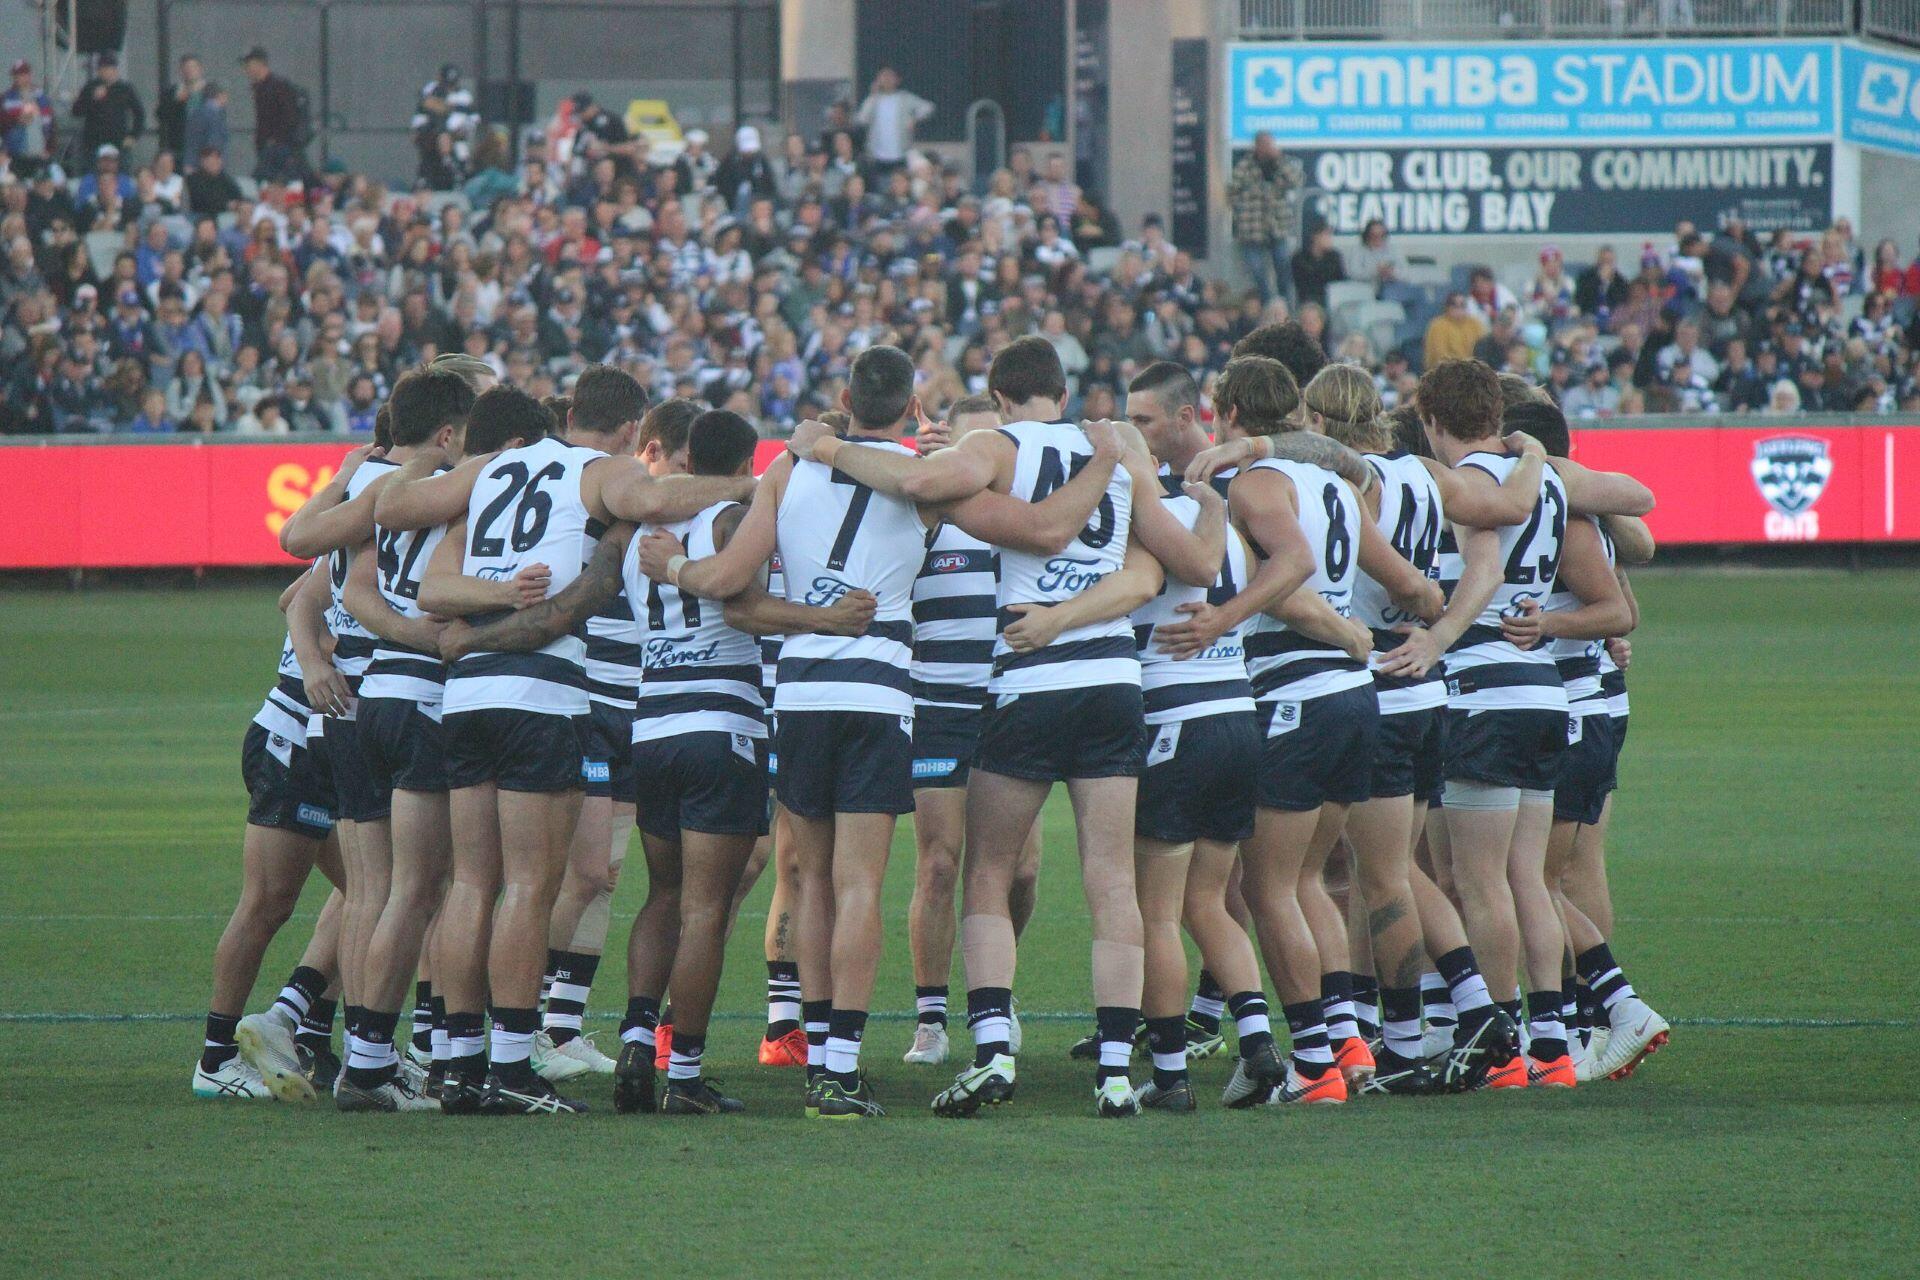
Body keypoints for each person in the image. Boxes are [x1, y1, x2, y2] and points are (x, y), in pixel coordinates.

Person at [776, 337, 1173, 1118]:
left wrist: (824, 445)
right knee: (1109, 876)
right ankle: (1118, 1072)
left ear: (999, 396)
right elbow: (1151, 570)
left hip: (1022, 681)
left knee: (987, 871)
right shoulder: (1122, 447)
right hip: (1105, 680)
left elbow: (937, 487)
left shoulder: (990, 452)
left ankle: (992, 1050)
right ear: (1063, 390)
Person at [378, 367, 752, 1114]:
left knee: (472, 884)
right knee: (526, 885)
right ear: (629, 430)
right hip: (538, 692)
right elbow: (650, 498)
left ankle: (455, 1062)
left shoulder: (491, 467)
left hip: (465, 696)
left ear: (571, 409)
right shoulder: (601, 471)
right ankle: (514, 1069)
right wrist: (748, 490)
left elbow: (397, 511)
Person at [898, 395, 1041, 1068]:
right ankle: (931, 1018)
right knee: (940, 863)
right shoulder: (929, 517)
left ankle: (994, 988)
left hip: (1011, 706)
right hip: (937, 709)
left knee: (1023, 871)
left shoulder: (1024, 522)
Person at [196, 560, 347, 1100]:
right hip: (296, 739)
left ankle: (296, 1020)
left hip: (325, 740)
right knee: (267, 904)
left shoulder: (376, 527)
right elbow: (296, 600)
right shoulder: (388, 523)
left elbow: (291, 596)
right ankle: (215, 1060)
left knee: (379, 890)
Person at [1227, 132, 1303, 307]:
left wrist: (1279, 160)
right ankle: (1268, 303)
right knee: (1257, 270)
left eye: (1270, 144)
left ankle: (1286, 305)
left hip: (1277, 226)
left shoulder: (1281, 163)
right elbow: (1232, 191)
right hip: (1251, 228)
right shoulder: (1245, 165)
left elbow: (1296, 180)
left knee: (1283, 267)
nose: (1268, 148)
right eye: (1264, 144)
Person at [242, 47, 308, 182]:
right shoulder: (259, 88)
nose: (246, 69)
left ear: (260, 64)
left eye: (249, 64)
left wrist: (275, 140)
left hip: (281, 149)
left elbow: (290, 118)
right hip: (268, 149)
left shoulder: (279, 86)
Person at [855, 67, 933, 171]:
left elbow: (928, 107)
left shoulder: (905, 98)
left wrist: (914, 118)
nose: (886, 79)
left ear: (897, 79)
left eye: (890, 76)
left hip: (900, 154)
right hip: (876, 156)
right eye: (883, 76)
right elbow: (862, 119)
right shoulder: (873, 100)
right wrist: (872, 95)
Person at [71, 53, 144, 160]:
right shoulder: (90, 87)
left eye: (106, 68)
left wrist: (133, 136)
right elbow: (76, 111)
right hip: (93, 143)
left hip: (119, 142)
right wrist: (92, 98)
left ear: (114, 70)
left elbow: (139, 113)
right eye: (100, 69)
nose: (102, 72)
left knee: (120, 172)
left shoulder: (125, 89)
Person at [3, 60, 56, 177]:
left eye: (22, 74)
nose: (18, 78)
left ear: (29, 75)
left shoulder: (41, 96)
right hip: (16, 154)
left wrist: (50, 149)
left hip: (39, 153)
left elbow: (51, 123)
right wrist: (16, 120)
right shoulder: (7, 97)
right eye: (16, 75)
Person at [156, 55, 207, 159]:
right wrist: (178, 102)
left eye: (193, 67)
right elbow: (160, 114)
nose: (189, 71)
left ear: (200, 69)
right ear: (181, 71)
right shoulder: (173, 91)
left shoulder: (209, 90)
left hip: (204, 146)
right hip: (178, 146)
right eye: (186, 68)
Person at [1290, 223, 1347, 311]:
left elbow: (1340, 280)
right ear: (1316, 236)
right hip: (1308, 301)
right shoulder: (1299, 258)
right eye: (1327, 235)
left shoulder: (1334, 256)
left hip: (1332, 299)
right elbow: (1302, 284)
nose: (1330, 239)